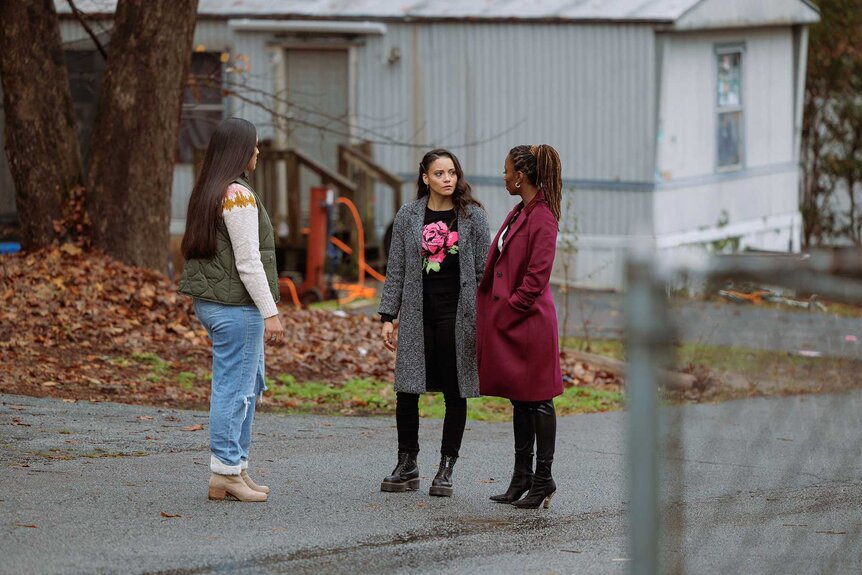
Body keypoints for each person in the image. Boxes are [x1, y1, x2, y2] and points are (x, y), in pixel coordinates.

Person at [179, 118, 284, 503]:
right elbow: (248, 262)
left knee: (245, 386)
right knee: (235, 390)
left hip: (216, 303)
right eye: (253, 146)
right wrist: (270, 311)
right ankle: (225, 471)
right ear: (240, 151)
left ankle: (236, 467)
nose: (257, 152)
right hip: (235, 306)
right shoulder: (237, 195)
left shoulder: (211, 189)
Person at [378, 148, 490, 497]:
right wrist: (388, 315)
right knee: (407, 389)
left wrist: (487, 315)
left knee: (455, 391)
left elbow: (484, 270)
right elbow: (396, 267)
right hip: (416, 312)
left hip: (459, 314)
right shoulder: (408, 215)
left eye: (451, 173)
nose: (447, 179)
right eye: (439, 173)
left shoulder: (473, 216)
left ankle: (446, 467)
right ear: (425, 177)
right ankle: (407, 463)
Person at [477, 144, 564, 509]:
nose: (504, 176)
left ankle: (543, 479)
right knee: (520, 401)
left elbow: (536, 276)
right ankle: (521, 477)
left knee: (539, 401)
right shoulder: (520, 212)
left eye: (506, 170)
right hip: (514, 323)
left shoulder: (543, 217)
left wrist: (511, 308)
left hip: (530, 324)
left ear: (521, 175)